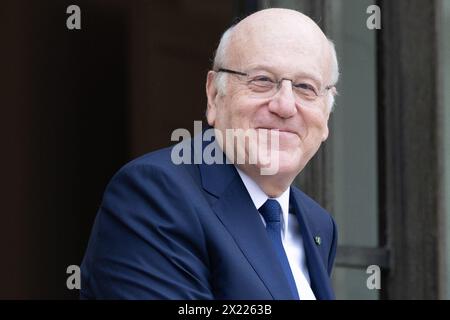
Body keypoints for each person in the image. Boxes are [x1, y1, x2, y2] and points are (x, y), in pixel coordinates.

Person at [80, 8, 339, 300]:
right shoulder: (154, 195)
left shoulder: (318, 225)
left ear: (326, 116)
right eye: (263, 80)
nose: (285, 106)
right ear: (214, 96)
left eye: (306, 87)